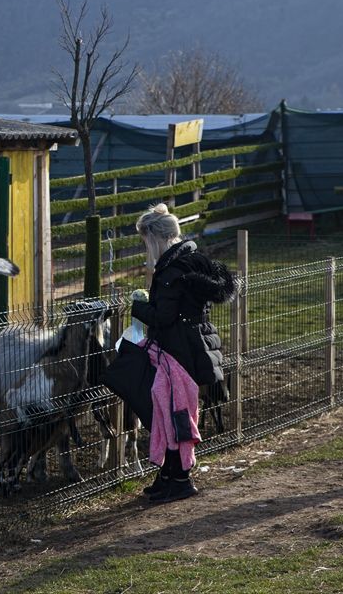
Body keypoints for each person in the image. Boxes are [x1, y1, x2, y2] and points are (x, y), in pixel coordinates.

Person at [130, 203, 237, 504]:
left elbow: (164, 316)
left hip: (177, 349)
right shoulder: (190, 260)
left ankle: (180, 480)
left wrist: (138, 306)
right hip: (193, 346)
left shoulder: (170, 272)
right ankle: (167, 476)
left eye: (145, 241)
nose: (145, 248)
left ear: (155, 238)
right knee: (172, 411)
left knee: (173, 413)